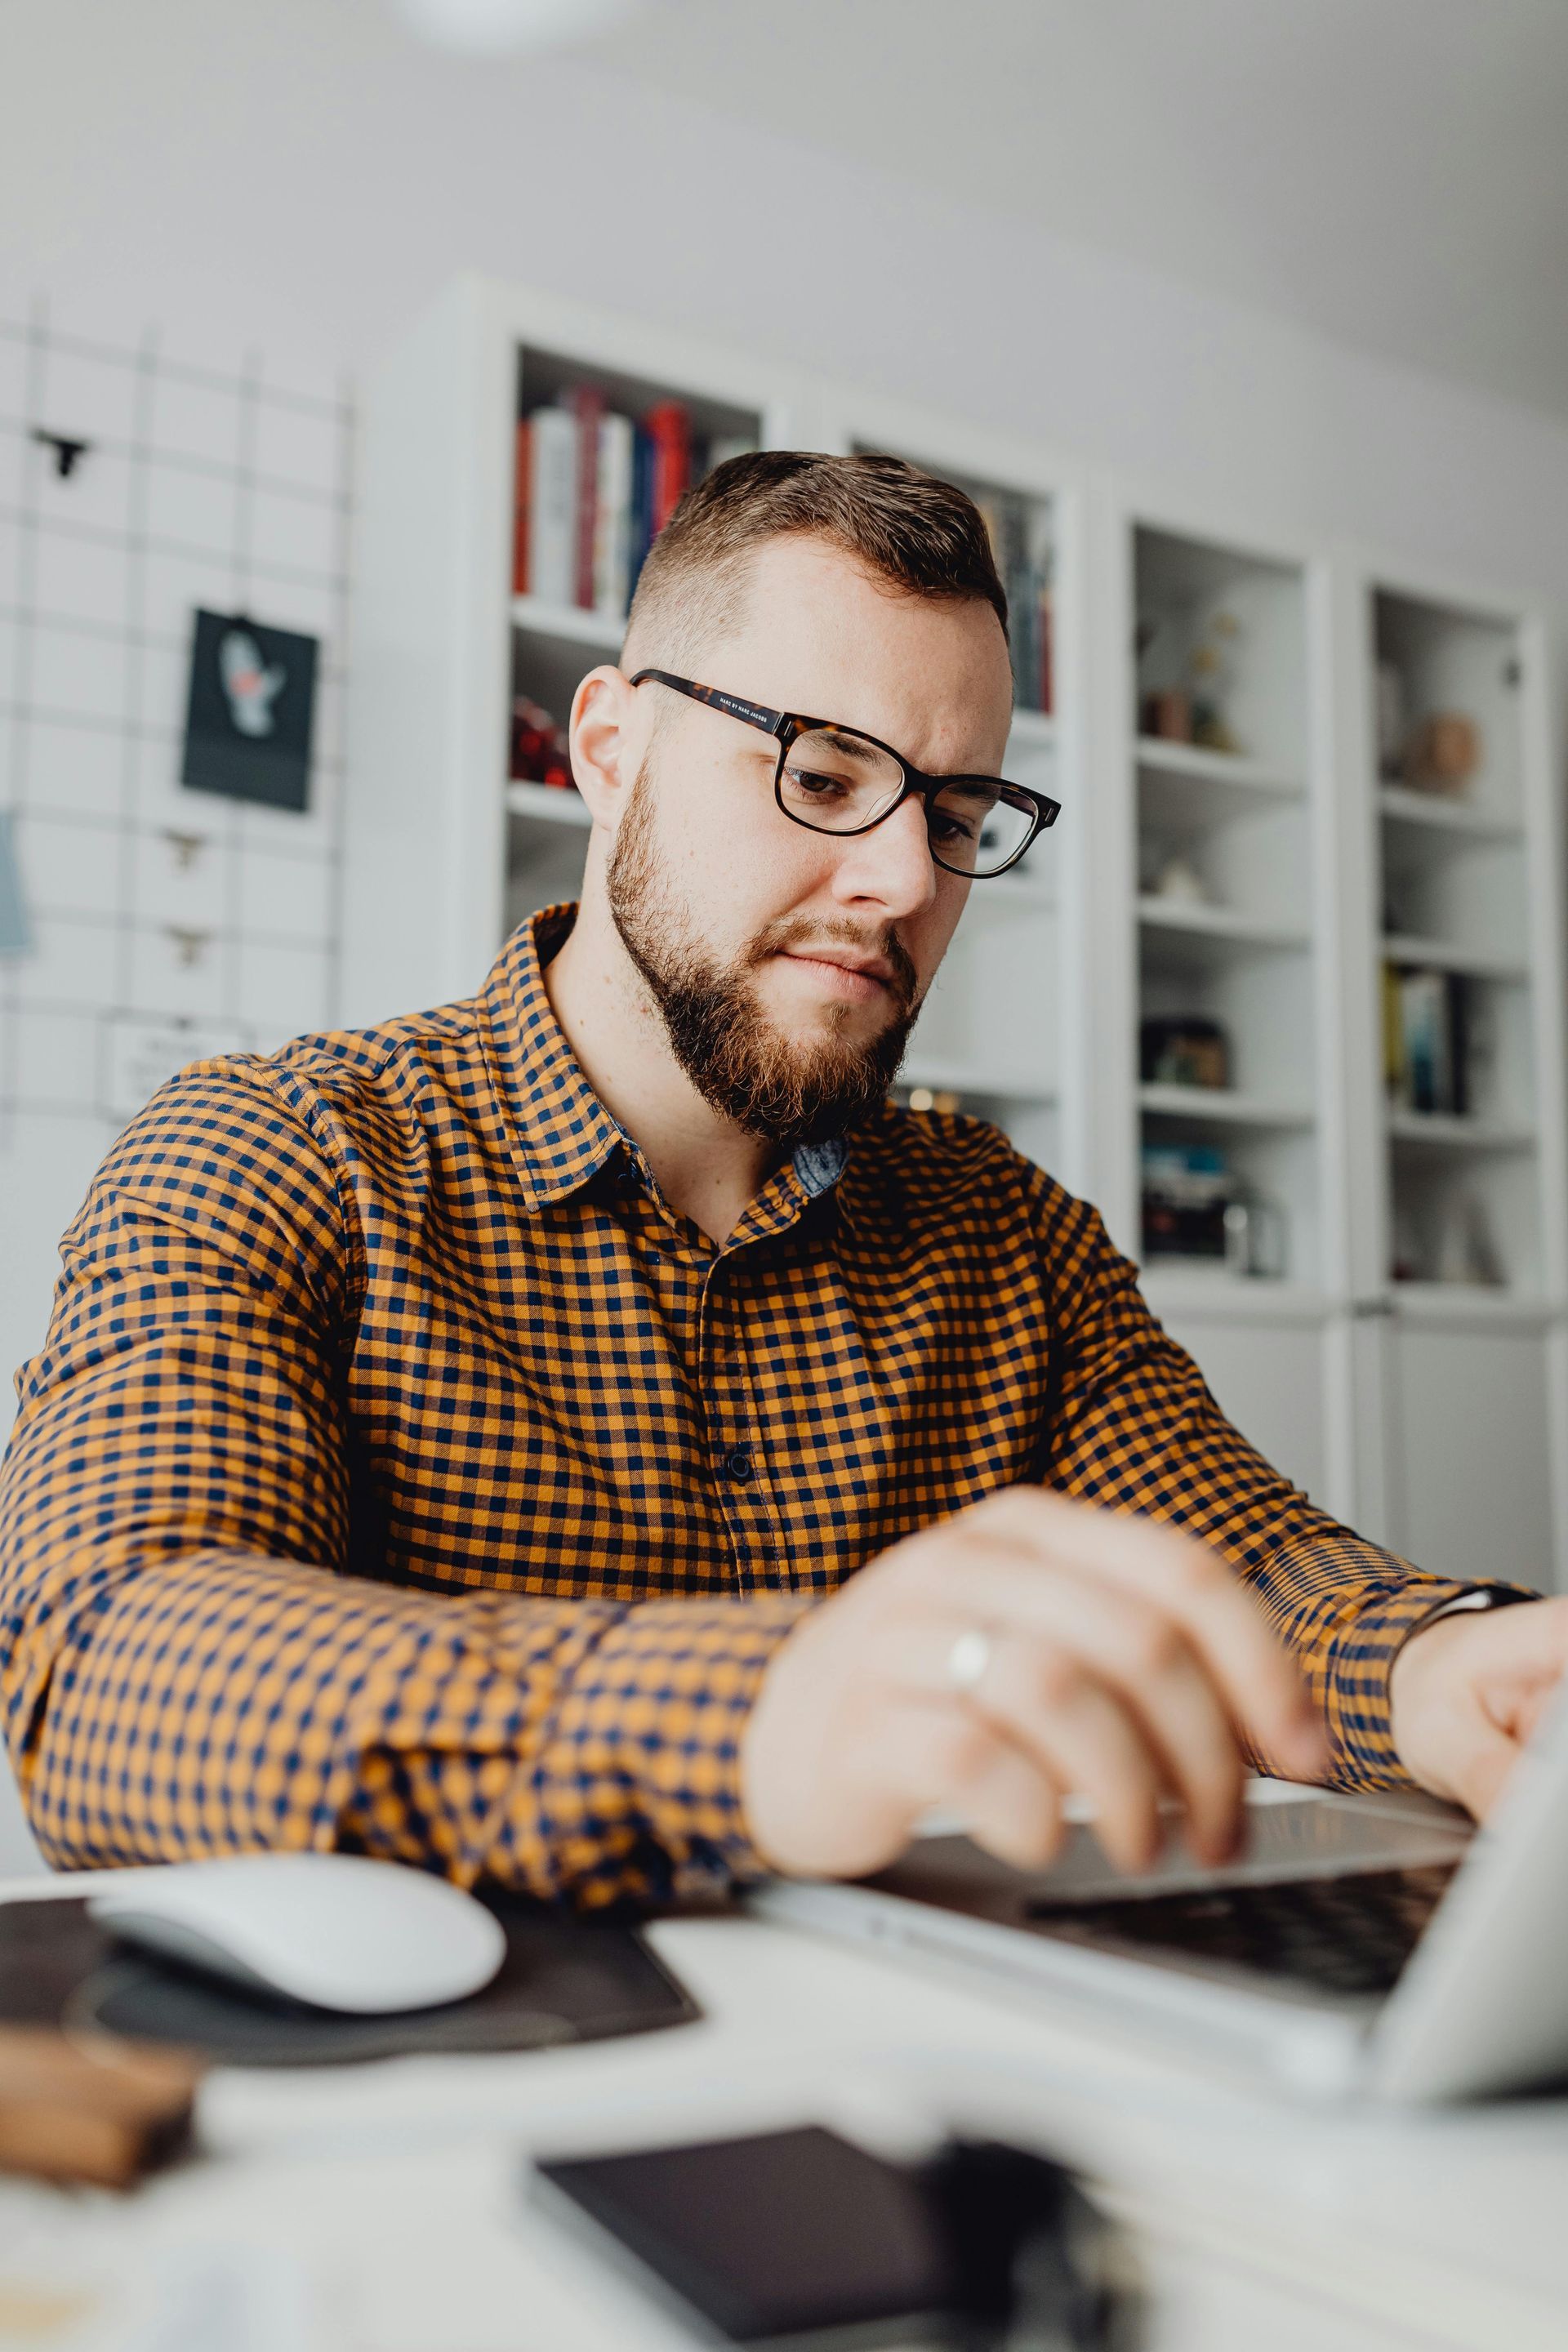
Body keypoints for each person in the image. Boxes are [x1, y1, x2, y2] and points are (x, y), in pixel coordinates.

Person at [2, 452, 1564, 1907]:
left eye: (958, 817)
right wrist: (761, 1717)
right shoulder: (277, 1153)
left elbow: (1250, 1569)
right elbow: (112, 1666)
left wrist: (1434, 1668)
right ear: (609, 750)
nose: (900, 880)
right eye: (822, 776)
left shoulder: (1006, 1233)